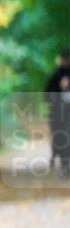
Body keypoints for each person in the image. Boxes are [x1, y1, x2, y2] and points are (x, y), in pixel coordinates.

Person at [44, 48, 70, 176]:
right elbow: (47, 95)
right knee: (59, 138)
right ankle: (63, 164)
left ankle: (65, 164)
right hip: (57, 112)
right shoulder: (55, 75)